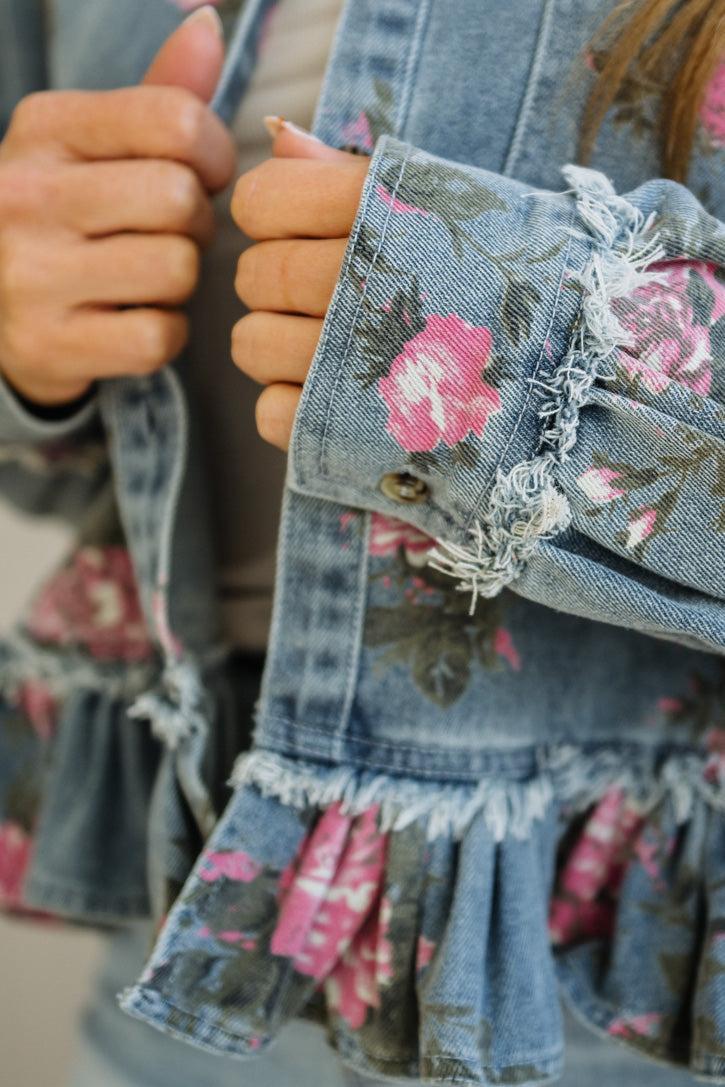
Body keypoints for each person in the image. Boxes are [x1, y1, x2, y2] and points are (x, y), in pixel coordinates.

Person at [0, 2, 723, 1085]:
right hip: (206, 941)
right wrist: (30, 350)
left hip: (621, 984)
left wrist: (516, 350)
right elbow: (91, 473)